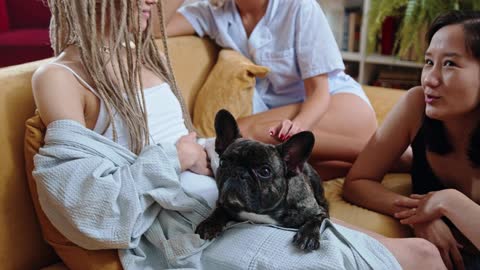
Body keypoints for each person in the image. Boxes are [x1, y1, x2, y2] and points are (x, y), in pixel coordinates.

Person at [31, 0, 445, 269]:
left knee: (426, 255)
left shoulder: (143, 61)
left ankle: (398, 162)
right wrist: (178, 158)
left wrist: (206, 153)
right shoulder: (58, 76)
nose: (150, 3)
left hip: (234, 203)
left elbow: (185, 143)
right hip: (190, 226)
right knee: (419, 258)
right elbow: (81, 206)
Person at [166, 0, 378, 180]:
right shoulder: (212, 11)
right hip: (288, 119)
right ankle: (391, 159)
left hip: (337, 107)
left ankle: (393, 153)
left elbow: (319, 92)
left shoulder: (298, 6)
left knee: (245, 133)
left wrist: (297, 128)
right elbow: (153, 26)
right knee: (286, 172)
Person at [343, 10, 480, 270]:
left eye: (450, 64)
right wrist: (420, 216)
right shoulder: (416, 104)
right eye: (429, 62)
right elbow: (358, 181)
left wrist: (448, 202)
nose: (430, 79)